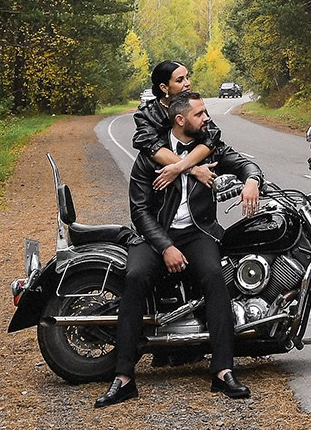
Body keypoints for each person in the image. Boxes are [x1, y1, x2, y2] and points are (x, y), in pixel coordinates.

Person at [95, 91, 261, 408]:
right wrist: (166, 247)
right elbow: (140, 212)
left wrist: (252, 180)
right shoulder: (150, 156)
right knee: (135, 277)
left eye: (205, 113)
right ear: (181, 120)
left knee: (215, 276)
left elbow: (244, 164)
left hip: (197, 233)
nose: (206, 119)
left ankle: (223, 371)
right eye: (200, 114)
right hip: (155, 236)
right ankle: (124, 378)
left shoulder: (209, 149)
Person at [130, 58, 248, 181]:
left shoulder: (194, 105)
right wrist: (194, 170)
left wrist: (179, 167)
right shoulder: (147, 113)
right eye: (180, 80)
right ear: (164, 87)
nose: (187, 83)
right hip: (161, 177)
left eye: (187, 77)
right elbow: (152, 147)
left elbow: (211, 138)